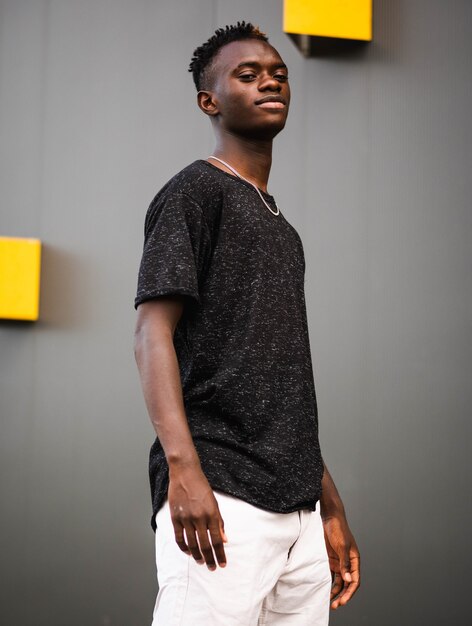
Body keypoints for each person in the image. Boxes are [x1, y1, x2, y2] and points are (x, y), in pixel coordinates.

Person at [134, 21, 360, 626]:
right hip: (222, 493)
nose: (270, 82)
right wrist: (183, 471)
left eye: (279, 74)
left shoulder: (284, 231)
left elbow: (282, 378)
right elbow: (151, 333)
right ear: (210, 101)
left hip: (299, 515)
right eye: (249, 74)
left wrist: (329, 507)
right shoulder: (194, 192)